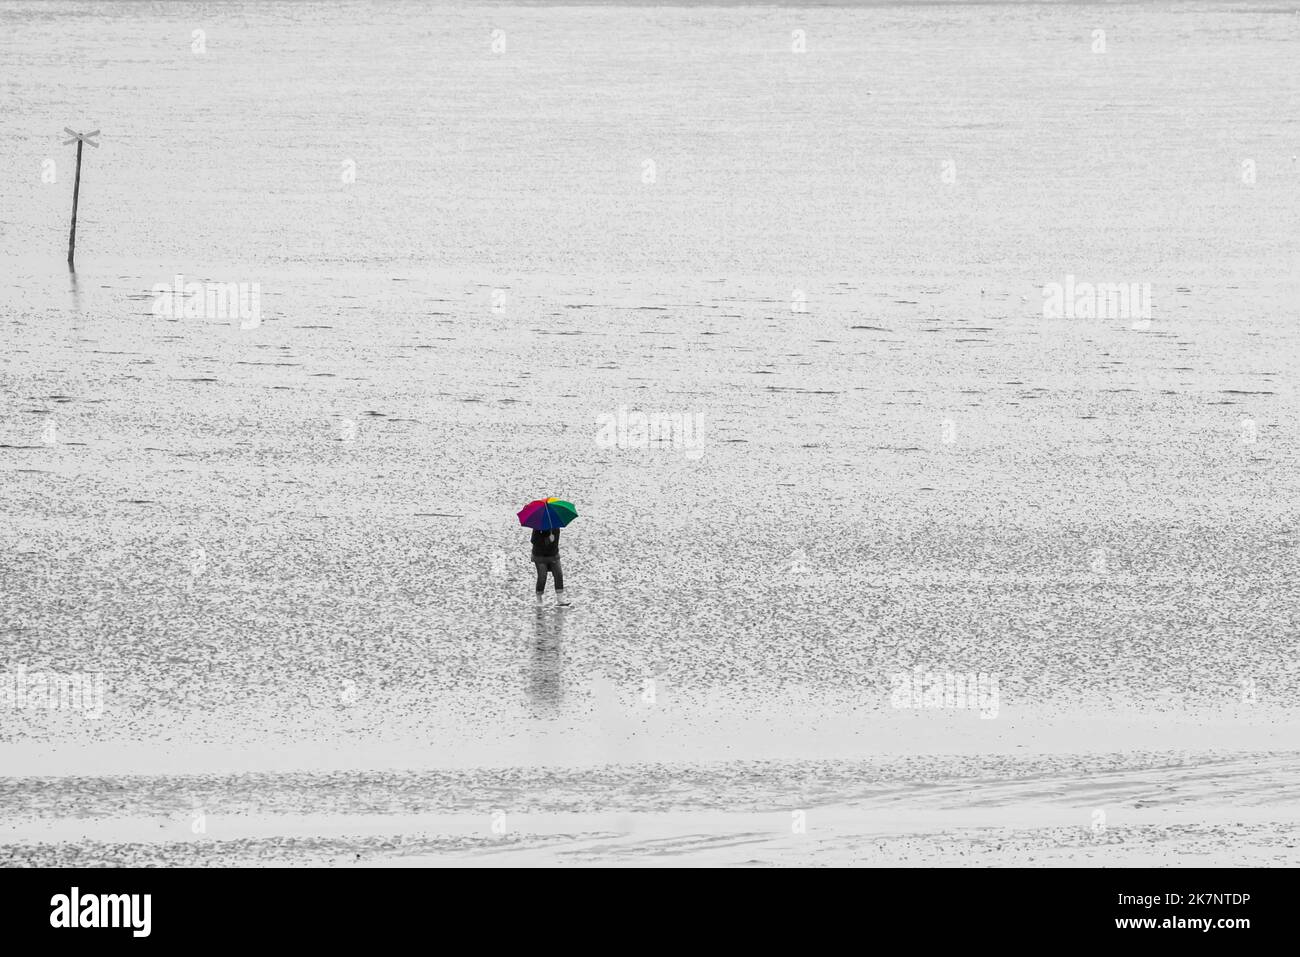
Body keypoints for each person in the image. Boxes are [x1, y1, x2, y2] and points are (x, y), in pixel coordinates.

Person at [531, 527, 570, 606]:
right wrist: (547, 540)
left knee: (558, 574)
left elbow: (555, 542)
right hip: (539, 555)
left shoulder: (556, 527)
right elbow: (533, 540)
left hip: (553, 555)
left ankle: (560, 599)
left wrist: (551, 540)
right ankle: (539, 599)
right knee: (542, 576)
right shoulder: (538, 527)